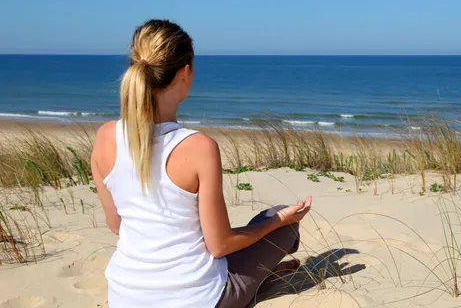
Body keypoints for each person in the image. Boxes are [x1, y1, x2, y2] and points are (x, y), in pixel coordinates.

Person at [91, 19, 312, 308]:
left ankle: (262, 273)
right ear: (185, 73)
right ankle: (261, 276)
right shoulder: (198, 148)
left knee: (256, 230)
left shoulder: (105, 136)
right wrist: (281, 221)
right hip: (199, 299)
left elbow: (117, 225)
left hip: (125, 296)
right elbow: (219, 245)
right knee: (279, 221)